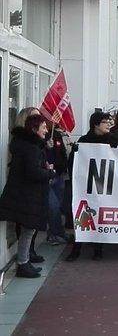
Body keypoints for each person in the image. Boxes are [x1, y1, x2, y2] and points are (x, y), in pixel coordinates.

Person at [0, 114, 56, 278]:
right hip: (27, 196)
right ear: (34, 129)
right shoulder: (31, 148)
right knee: (28, 230)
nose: (46, 130)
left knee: (28, 230)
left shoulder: (28, 145)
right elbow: (33, 172)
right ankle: (23, 264)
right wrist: (49, 172)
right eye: (43, 127)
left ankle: (24, 261)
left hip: (25, 195)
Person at [67, 112, 117, 262]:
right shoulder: (84, 141)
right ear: (95, 124)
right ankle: (77, 249)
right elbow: (73, 164)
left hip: (104, 186)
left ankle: (98, 249)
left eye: (109, 121)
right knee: (82, 216)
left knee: (101, 216)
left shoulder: (112, 141)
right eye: (105, 122)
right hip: (86, 186)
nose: (108, 124)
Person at [11, 107, 46, 264]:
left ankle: (28, 254)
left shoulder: (35, 144)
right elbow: (32, 170)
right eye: (36, 119)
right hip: (26, 191)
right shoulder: (27, 144)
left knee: (31, 226)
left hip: (32, 190)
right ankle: (24, 260)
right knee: (27, 226)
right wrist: (48, 173)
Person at [45, 125, 71, 245]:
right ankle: (57, 233)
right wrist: (45, 146)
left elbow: (62, 153)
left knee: (57, 207)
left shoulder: (59, 134)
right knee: (53, 206)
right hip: (47, 176)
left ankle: (54, 234)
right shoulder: (41, 137)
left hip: (59, 174)